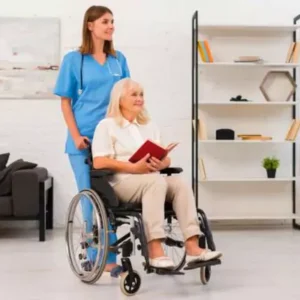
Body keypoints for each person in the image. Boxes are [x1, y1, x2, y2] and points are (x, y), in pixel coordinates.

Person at [92, 78, 223, 269]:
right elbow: (99, 161)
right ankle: (154, 249)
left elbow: (165, 159)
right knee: (156, 182)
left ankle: (193, 247)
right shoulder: (107, 125)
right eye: (134, 94)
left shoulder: (149, 126)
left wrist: (161, 162)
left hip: (150, 179)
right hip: (122, 183)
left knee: (179, 183)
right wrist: (134, 168)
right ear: (120, 99)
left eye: (142, 94)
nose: (139, 99)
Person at [53, 5, 130, 275]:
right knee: (90, 199)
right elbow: (66, 102)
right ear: (90, 26)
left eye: (112, 21)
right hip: (83, 140)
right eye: (105, 21)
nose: (110, 26)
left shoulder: (118, 59)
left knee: (111, 198)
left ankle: (109, 256)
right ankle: (96, 254)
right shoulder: (74, 60)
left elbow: (127, 97)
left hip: (111, 140)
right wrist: (75, 136)